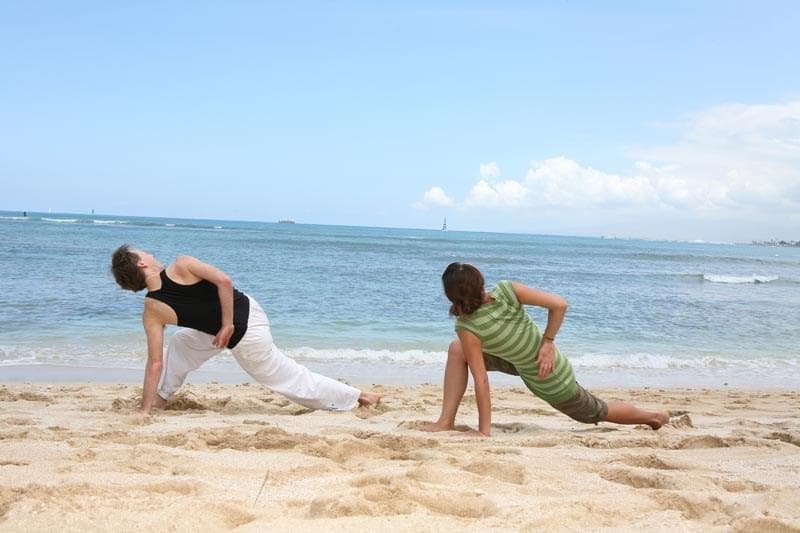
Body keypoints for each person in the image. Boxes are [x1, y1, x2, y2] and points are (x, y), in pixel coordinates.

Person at [110, 245, 380, 415]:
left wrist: (228, 324)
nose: (149, 252)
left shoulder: (152, 308)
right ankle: (159, 400)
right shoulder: (181, 264)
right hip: (227, 328)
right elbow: (224, 280)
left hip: (246, 327)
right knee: (182, 343)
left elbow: (153, 363)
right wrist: (145, 409)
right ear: (140, 263)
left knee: (284, 376)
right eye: (142, 252)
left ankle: (359, 397)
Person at [422, 262, 669, 437]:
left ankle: (654, 417)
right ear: (481, 283)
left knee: (594, 411)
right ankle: (446, 422)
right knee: (457, 350)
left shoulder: (471, 322)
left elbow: (482, 379)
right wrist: (547, 342)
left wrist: (548, 342)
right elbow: (559, 303)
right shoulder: (503, 294)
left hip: (546, 374)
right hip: (519, 362)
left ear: (451, 297)